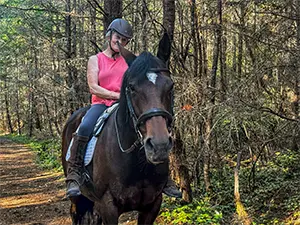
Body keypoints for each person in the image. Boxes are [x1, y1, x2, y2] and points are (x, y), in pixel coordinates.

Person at [66, 18, 182, 199]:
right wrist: (115, 96)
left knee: (155, 129)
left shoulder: (132, 60)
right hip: (101, 104)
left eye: (125, 39)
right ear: (109, 35)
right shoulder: (95, 60)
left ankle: (163, 177)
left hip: (126, 106)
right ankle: (74, 173)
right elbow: (93, 87)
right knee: (85, 126)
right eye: (117, 37)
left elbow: (143, 84)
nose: (120, 42)